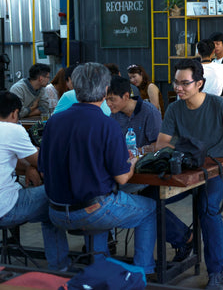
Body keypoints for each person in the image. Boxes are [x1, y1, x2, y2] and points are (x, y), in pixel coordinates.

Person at [38, 63, 157, 274]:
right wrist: (133, 162)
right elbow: (122, 178)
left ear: (74, 89)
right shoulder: (107, 125)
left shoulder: (54, 122)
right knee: (148, 209)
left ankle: (75, 268)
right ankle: (142, 273)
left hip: (56, 211)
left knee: (100, 199)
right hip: (93, 211)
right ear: (105, 90)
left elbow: (43, 170)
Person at [155, 58, 223, 290]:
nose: (178, 88)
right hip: (186, 170)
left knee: (208, 207)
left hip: (216, 171)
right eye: (176, 82)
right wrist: (183, 151)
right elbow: (161, 144)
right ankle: (184, 238)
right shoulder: (175, 108)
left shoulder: (218, 105)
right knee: (150, 200)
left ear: (199, 83)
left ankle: (218, 272)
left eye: (185, 83)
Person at [0, 91, 70, 271]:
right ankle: (60, 268)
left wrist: (29, 167)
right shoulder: (12, 130)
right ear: (15, 113)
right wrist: (32, 166)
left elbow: (12, 160)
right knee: (53, 199)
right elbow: (42, 162)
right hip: (5, 208)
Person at [106, 76, 161, 148]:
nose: (108, 104)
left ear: (126, 96)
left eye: (112, 99)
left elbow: (158, 145)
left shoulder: (149, 112)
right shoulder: (114, 115)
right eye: (106, 100)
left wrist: (136, 151)